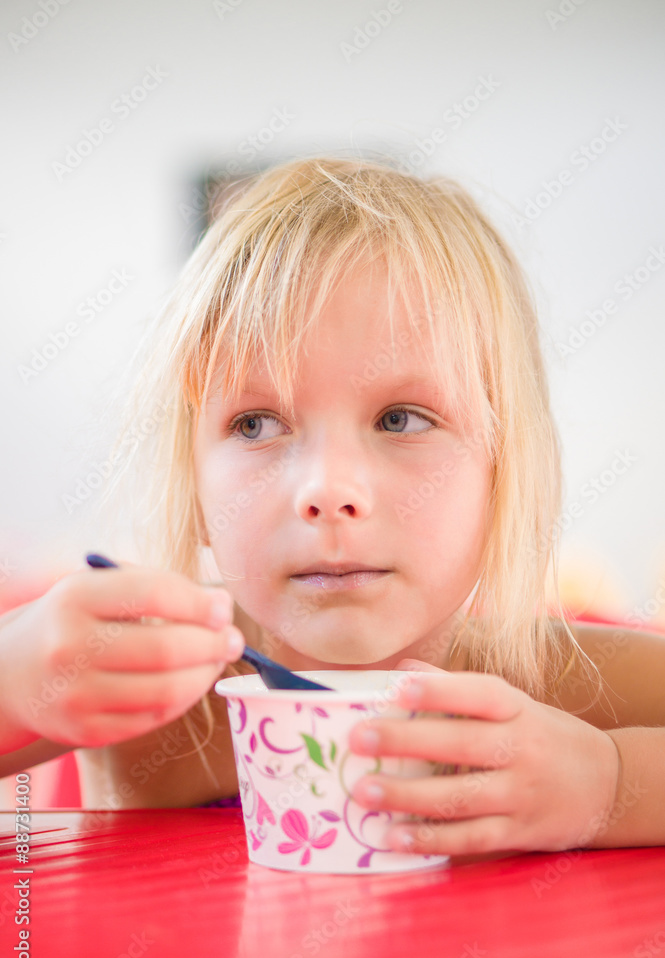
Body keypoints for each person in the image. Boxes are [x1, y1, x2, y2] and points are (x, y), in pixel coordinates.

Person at [1, 155, 664, 856]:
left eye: (400, 419)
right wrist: (15, 682)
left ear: (504, 473)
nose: (326, 490)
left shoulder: (560, 684)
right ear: (192, 483)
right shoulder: (153, 682)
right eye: (255, 424)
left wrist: (607, 784)